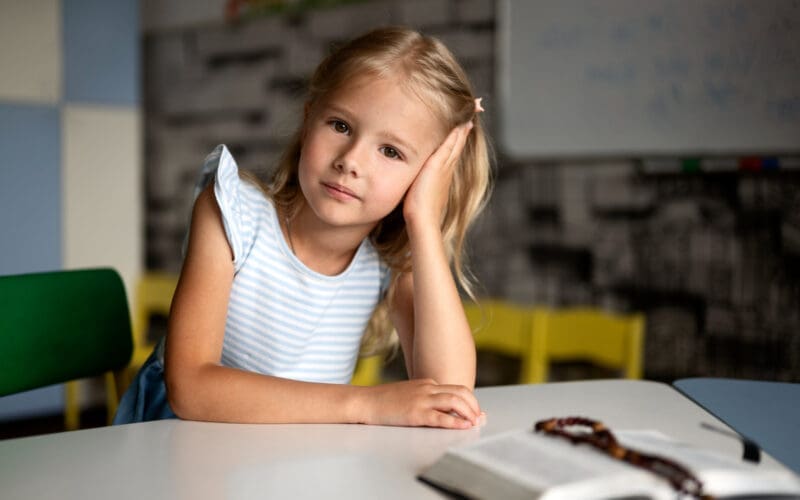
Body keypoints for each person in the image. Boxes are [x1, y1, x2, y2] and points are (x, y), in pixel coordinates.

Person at [114, 26, 492, 429]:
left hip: (290, 460)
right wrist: (365, 405)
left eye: (391, 151)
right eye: (341, 126)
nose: (351, 160)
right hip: (180, 449)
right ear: (309, 118)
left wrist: (425, 224)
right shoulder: (232, 213)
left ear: (428, 175)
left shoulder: (389, 260)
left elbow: (451, 394)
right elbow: (190, 388)